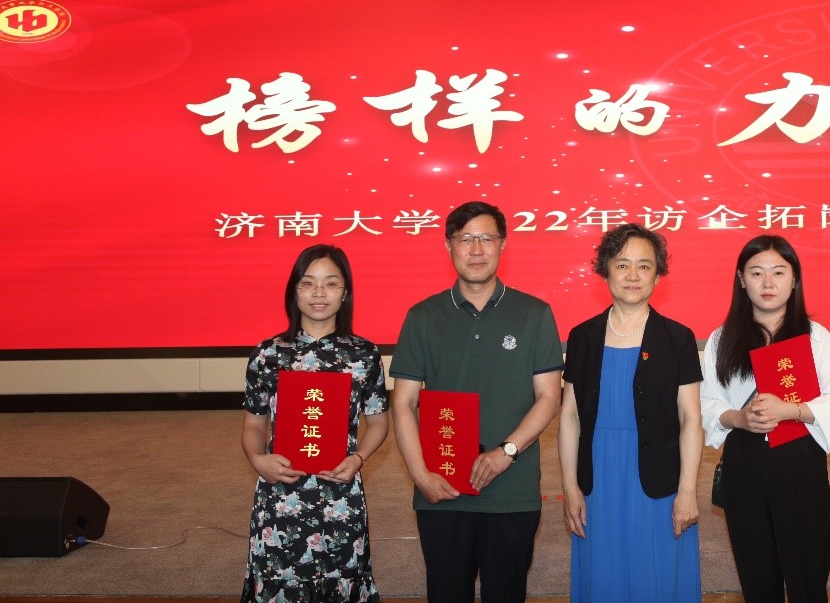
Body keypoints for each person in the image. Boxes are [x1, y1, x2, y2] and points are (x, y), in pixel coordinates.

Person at [390, 201, 564, 603]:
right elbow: (403, 404)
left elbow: (548, 397)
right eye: (465, 239)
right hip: (441, 490)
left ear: (503, 244)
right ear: (448, 246)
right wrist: (420, 475)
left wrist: (506, 452)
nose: (476, 249)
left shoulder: (534, 314)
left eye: (487, 238)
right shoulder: (422, 317)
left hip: (512, 492)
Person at [700, 235, 830, 603]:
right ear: (741, 280)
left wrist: (792, 410)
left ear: (794, 278)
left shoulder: (816, 338)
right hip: (745, 464)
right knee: (757, 575)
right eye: (757, 273)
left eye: (778, 272)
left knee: (808, 573)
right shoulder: (722, 339)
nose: (767, 283)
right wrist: (739, 418)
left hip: (800, 464)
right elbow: (707, 403)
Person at [559, 223, 703, 602]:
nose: (633, 275)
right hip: (598, 476)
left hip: (658, 481)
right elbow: (570, 417)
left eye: (644, 265)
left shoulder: (678, 338)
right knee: (603, 575)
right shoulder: (582, 337)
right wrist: (570, 488)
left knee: (655, 576)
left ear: (658, 275)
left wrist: (688, 491)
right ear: (605, 270)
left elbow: (691, 420)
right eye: (622, 265)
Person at [240, 244, 389, 603]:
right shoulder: (268, 354)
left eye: (330, 283)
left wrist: (359, 458)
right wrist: (258, 460)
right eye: (308, 283)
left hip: (341, 489)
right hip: (281, 492)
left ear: (345, 292)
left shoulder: (364, 354)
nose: (319, 293)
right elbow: (254, 426)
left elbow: (378, 422)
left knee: (342, 575)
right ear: (294, 291)